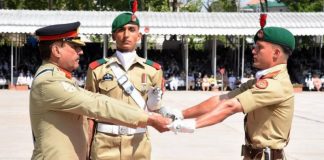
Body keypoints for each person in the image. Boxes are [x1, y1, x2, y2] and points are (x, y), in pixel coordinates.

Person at [30, 21, 170, 160]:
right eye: (74, 46)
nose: (81, 51)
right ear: (56, 50)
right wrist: (148, 119)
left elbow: (97, 101)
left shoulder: (58, 78)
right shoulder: (49, 82)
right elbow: (98, 104)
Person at [168, 26, 295, 160]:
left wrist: (192, 124)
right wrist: (180, 114)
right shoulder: (261, 81)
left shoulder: (275, 84)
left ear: (276, 53)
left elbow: (230, 107)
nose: (253, 51)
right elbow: (223, 99)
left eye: (259, 47)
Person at [85, 11, 178, 160]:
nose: (126, 35)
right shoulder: (97, 69)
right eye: (121, 30)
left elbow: (154, 108)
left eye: (131, 29)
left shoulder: (153, 70)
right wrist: (86, 150)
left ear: (139, 36)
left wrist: (159, 108)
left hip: (138, 146)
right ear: (114, 36)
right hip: (104, 146)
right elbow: (88, 114)